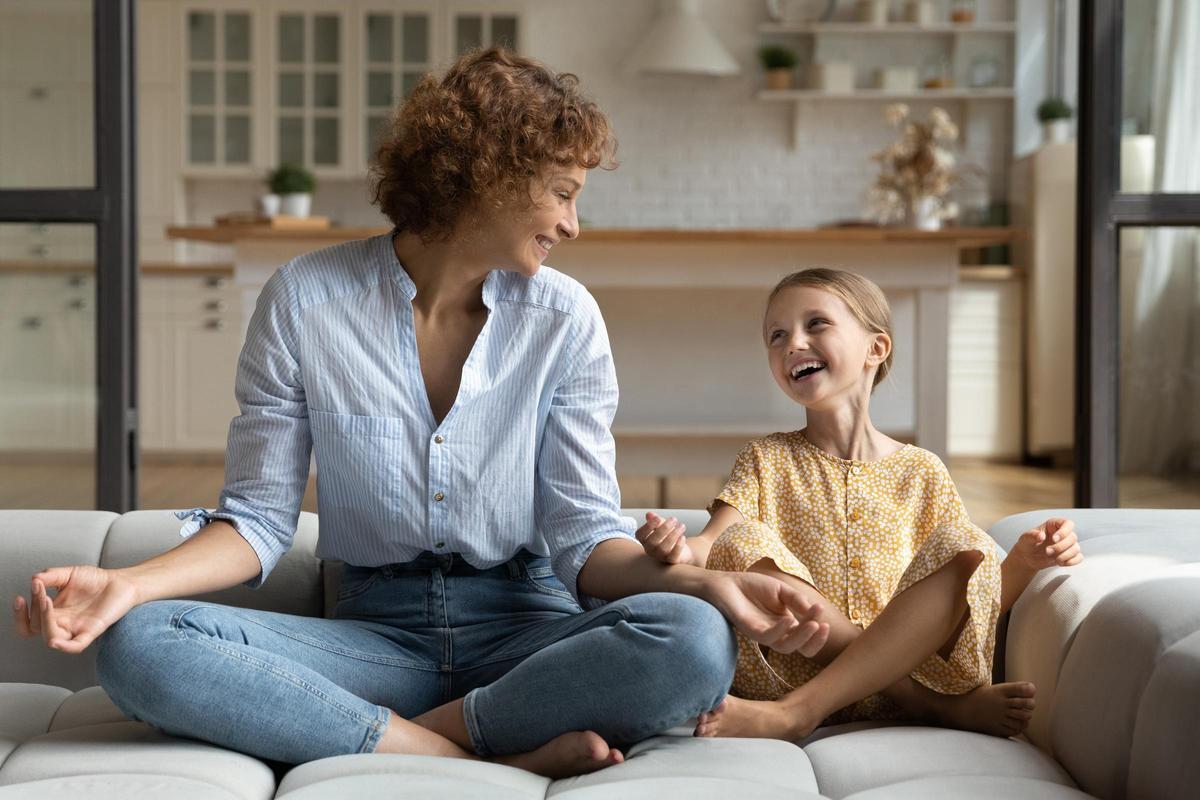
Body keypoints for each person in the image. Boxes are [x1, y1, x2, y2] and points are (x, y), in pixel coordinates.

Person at [10, 48, 831, 778]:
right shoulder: (305, 300)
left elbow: (585, 539)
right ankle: (471, 752)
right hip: (375, 638)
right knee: (141, 645)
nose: (572, 225)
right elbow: (256, 522)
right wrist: (125, 585)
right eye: (561, 194)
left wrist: (708, 584)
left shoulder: (566, 319)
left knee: (692, 638)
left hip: (530, 636)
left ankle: (399, 737)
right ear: (492, 175)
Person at [636, 267, 1084, 741]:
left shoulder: (922, 471)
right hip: (790, 673)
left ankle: (803, 712)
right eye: (777, 335)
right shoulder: (765, 457)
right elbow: (714, 543)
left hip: (915, 665)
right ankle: (925, 705)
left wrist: (1024, 563)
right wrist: (679, 551)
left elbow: (967, 599)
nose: (793, 343)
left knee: (966, 542)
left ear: (876, 348)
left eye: (816, 324)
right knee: (743, 540)